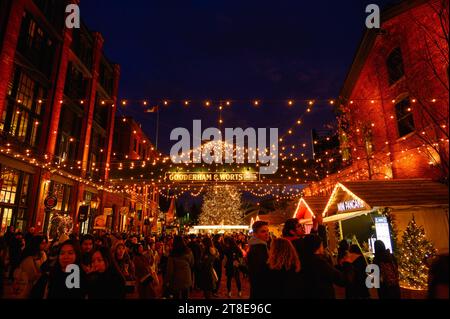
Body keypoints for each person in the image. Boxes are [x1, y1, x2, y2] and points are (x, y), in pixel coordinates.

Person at [301, 234, 353, 299]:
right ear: (318, 246)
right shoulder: (319, 262)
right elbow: (343, 280)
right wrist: (348, 263)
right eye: (322, 244)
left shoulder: (304, 260)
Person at [247, 221, 270, 299]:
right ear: (255, 234)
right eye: (263, 231)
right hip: (262, 289)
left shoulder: (260, 245)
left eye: (267, 231)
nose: (267, 233)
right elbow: (261, 271)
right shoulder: (259, 248)